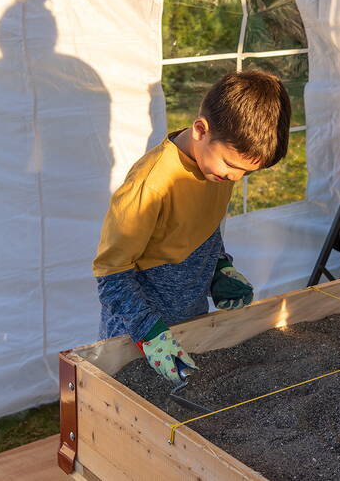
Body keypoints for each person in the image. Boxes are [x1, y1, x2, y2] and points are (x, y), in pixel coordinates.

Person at [93, 70, 291, 384]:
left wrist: (220, 267)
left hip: (190, 320)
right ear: (201, 130)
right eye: (231, 165)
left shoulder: (215, 169)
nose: (235, 178)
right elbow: (110, 275)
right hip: (137, 336)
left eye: (245, 173)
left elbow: (202, 225)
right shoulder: (151, 186)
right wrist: (149, 332)